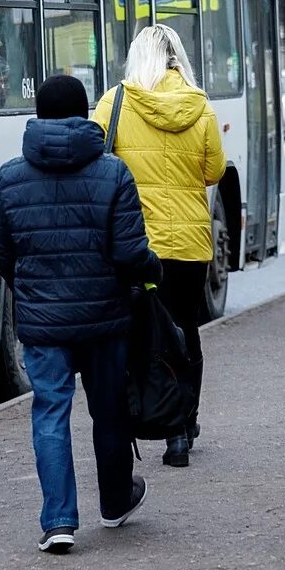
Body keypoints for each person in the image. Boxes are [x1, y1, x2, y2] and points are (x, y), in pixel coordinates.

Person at [0, 75, 160, 553]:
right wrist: (153, 271)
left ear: (38, 115)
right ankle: (114, 502)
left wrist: (33, 291)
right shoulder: (113, 172)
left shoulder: (10, 176)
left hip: (44, 323)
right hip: (106, 319)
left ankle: (59, 521)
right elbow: (130, 253)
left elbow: (3, 252)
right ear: (86, 114)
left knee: (50, 413)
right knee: (108, 411)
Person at [92, 24, 224, 467]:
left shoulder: (115, 102)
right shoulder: (199, 104)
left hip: (136, 245)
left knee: (140, 335)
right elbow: (214, 171)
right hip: (190, 245)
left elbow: (97, 161)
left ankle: (148, 417)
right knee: (185, 329)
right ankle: (184, 427)